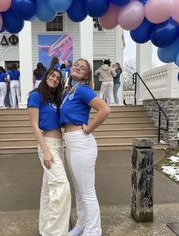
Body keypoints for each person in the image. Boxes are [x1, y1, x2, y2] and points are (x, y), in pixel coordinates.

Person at [60, 58, 111, 236]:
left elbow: (105, 109)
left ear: (87, 74)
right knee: (79, 190)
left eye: (83, 68)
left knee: (87, 191)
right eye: (76, 65)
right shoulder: (70, 91)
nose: (78, 68)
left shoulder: (82, 90)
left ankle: (93, 231)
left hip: (82, 143)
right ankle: (82, 225)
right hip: (71, 142)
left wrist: (89, 128)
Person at [27, 68, 71, 236]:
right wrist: (46, 151)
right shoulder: (36, 96)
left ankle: (45, 229)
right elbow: (34, 125)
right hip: (48, 145)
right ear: (46, 76)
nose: (54, 79)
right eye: (52, 75)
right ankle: (56, 233)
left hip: (59, 145)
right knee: (61, 187)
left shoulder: (54, 98)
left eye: (58, 77)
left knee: (48, 190)